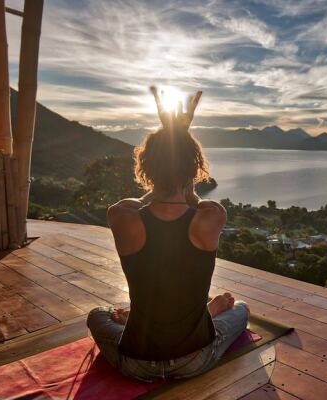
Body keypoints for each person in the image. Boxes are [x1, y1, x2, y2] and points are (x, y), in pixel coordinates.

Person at [86, 90, 249, 382]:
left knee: (98, 314)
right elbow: (191, 198)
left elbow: (142, 202)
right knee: (241, 309)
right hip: (194, 359)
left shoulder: (122, 216)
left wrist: (171, 144)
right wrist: (180, 145)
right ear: (193, 167)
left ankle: (140, 319)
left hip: (136, 361)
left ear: (147, 167)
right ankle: (209, 313)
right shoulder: (211, 216)